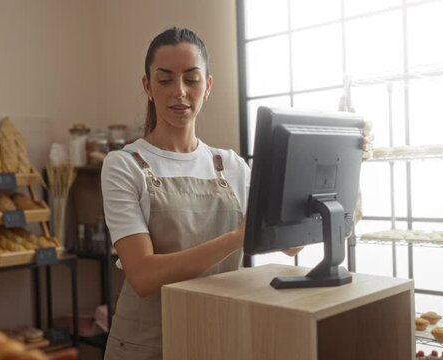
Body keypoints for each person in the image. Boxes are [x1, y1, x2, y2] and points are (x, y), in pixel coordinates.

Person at [101, 27, 370, 360]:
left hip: (220, 334)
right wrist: (239, 237)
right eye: (165, 79)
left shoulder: (230, 165)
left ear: (208, 86)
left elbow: (291, 244)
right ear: (148, 86)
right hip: (149, 343)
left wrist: (346, 163)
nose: (180, 92)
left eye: (192, 79)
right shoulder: (123, 165)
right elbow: (143, 276)